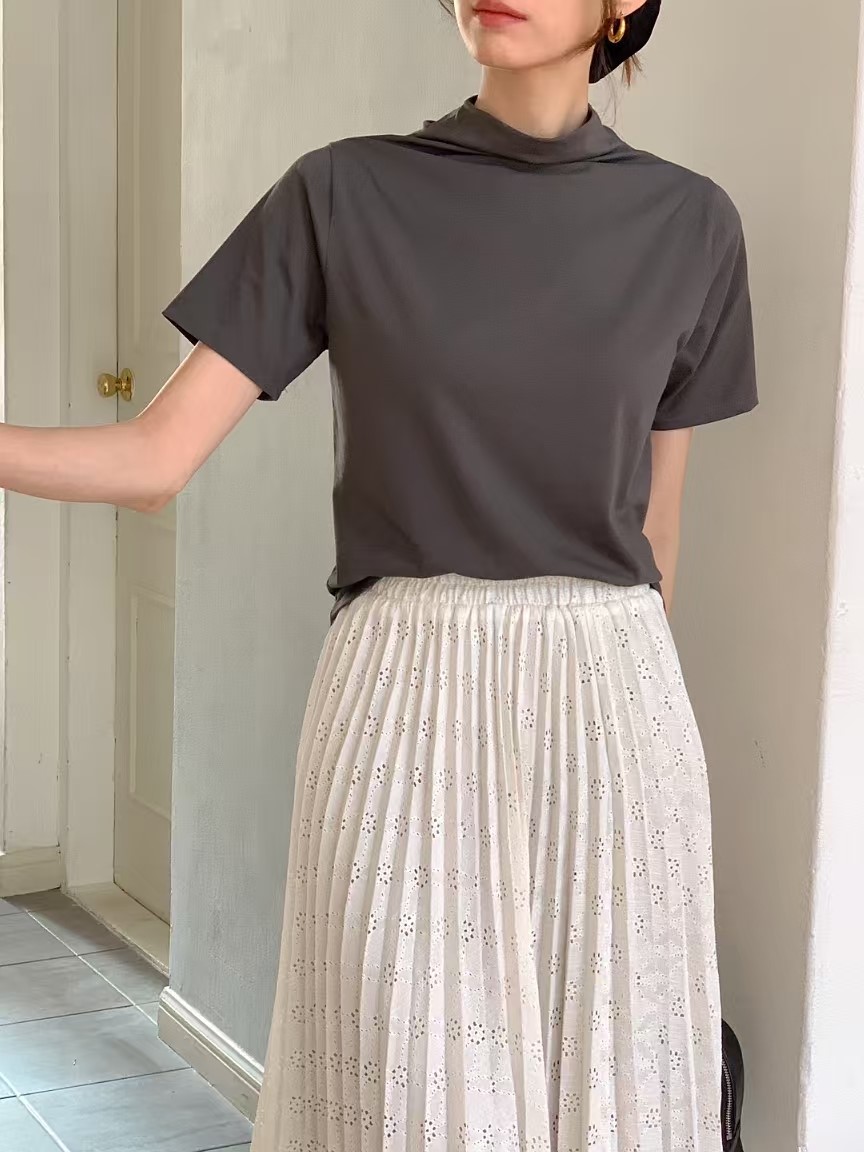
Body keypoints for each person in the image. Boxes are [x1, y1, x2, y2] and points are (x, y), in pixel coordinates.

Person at [0, 0, 758, 1148]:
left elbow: (659, 538)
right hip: (404, 689)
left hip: (613, 704)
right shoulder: (342, 194)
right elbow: (152, 461)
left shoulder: (692, 224)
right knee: (403, 1093)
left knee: (610, 1091)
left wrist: (637, 738)